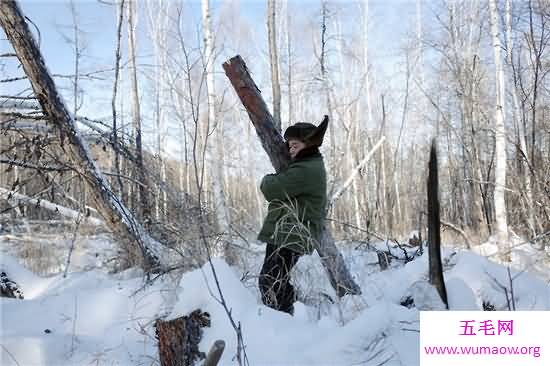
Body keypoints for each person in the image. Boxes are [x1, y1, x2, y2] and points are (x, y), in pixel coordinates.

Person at [258, 117, 328, 315]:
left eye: (295, 145)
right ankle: (291, 317)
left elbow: (272, 189)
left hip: (292, 234)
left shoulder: (306, 170)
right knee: (276, 280)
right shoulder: (308, 165)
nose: (290, 150)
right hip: (287, 232)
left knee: (270, 282)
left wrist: (267, 179)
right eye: (289, 146)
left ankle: (285, 322)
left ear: (309, 145)